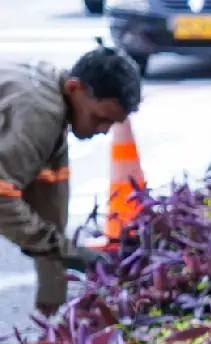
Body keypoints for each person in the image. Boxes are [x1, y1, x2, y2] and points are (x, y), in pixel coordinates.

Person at [0, 43, 143, 317]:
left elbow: (48, 202)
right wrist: (68, 253)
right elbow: (2, 197)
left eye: (112, 124)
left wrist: (52, 292)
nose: (103, 131)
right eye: (100, 118)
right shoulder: (40, 114)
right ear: (75, 88)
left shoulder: (58, 107)